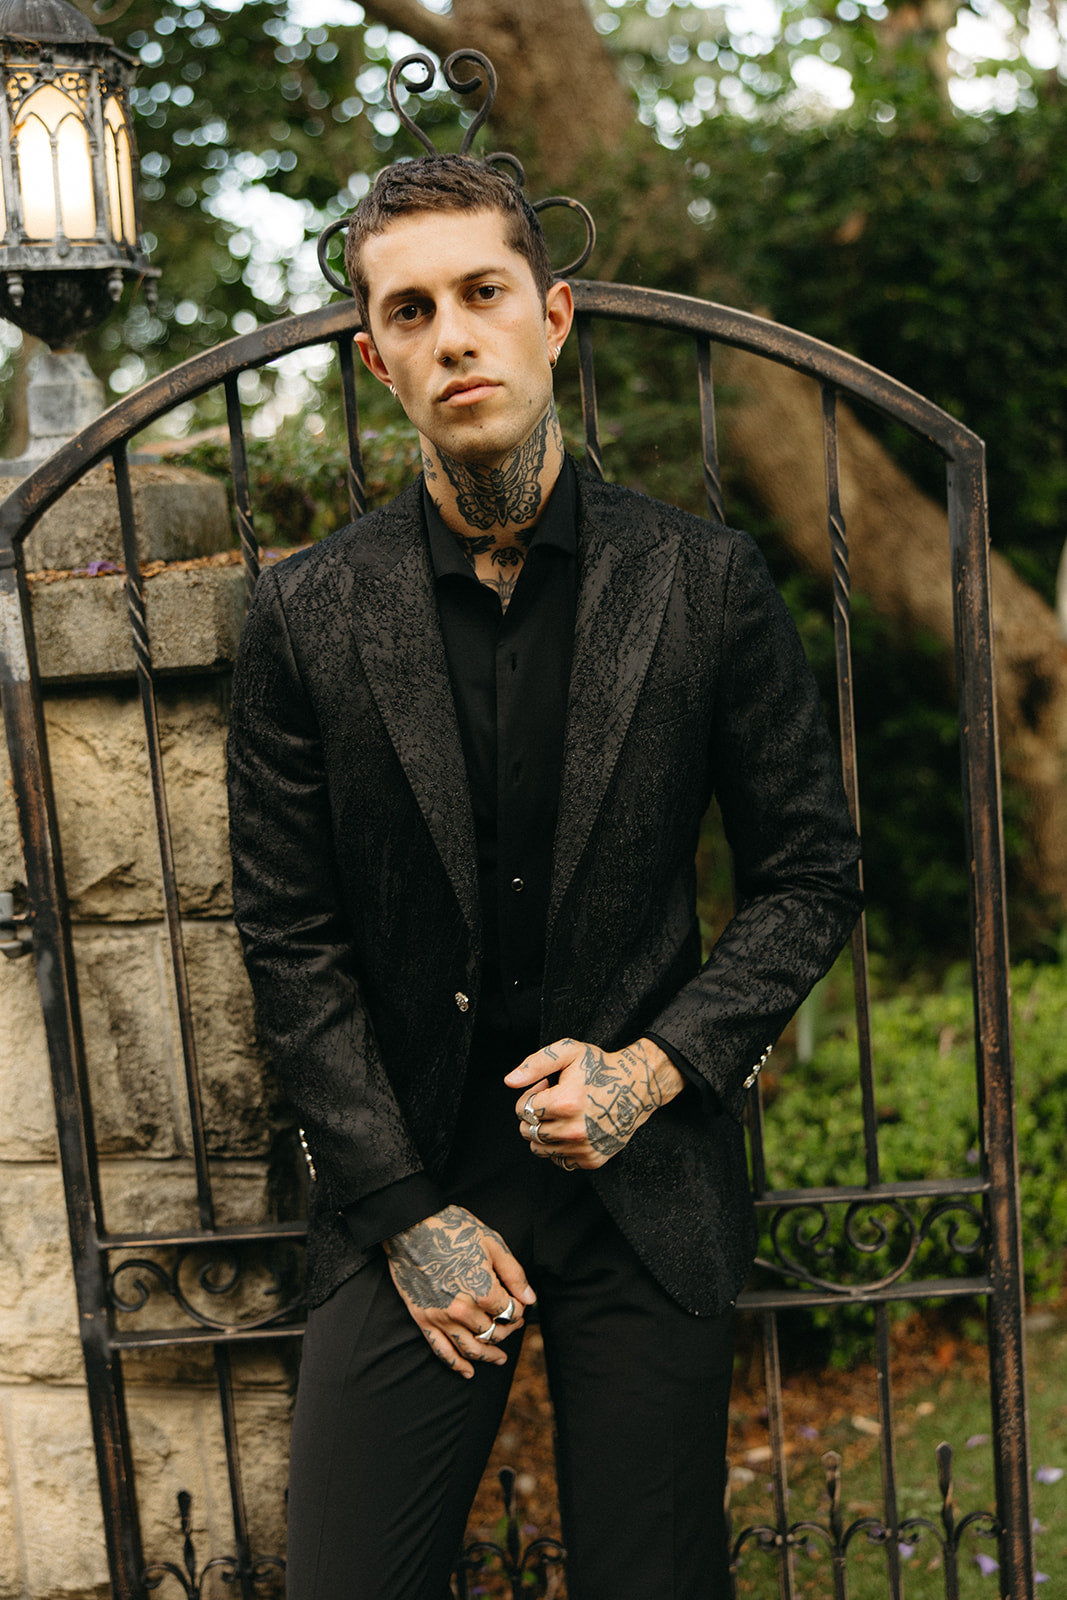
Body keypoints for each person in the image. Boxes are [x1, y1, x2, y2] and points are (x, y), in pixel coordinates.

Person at [227, 152, 862, 1600]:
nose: (453, 334)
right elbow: (290, 934)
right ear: (374, 355)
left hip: (645, 1176)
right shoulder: (306, 618)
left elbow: (812, 876)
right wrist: (400, 1211)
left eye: (483, 293)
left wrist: (651, 1071)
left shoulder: (703, 584)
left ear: (553, 315)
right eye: (409, 310)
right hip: (414, 1175)